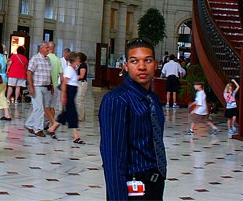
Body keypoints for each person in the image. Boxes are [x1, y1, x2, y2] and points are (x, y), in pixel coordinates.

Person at [99, 39, 167, 200]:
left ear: (156, 65)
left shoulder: (153, 98)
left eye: (147, 60)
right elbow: (112, 159)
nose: (142, 67)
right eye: (134, 61)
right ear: (126, 66)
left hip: (155, 184)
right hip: (132, 186)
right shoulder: (117, 100)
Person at [28, 40, 61, 136]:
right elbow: (29, 72)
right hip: (37, 86)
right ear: (41, 48)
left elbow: (49, 74)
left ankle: (30, 124)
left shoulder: (48, 59)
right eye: (46, 47)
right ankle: (38, 129)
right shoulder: (35, 59)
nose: (48, 49)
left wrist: (52, 85)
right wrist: (31, 87)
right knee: (39, 108)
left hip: (46, 87)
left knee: (42, 107)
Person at [58, 50, 86, 144]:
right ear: (74, 60)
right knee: (72, 114)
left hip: (72, 93)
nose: (78, 61)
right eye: (77, 59)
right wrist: (63, 95)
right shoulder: (69, 69)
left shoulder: (73, 69)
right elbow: (64, 83)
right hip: (69, 94)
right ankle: (76, 136)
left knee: (66, 114)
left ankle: (52, 128)